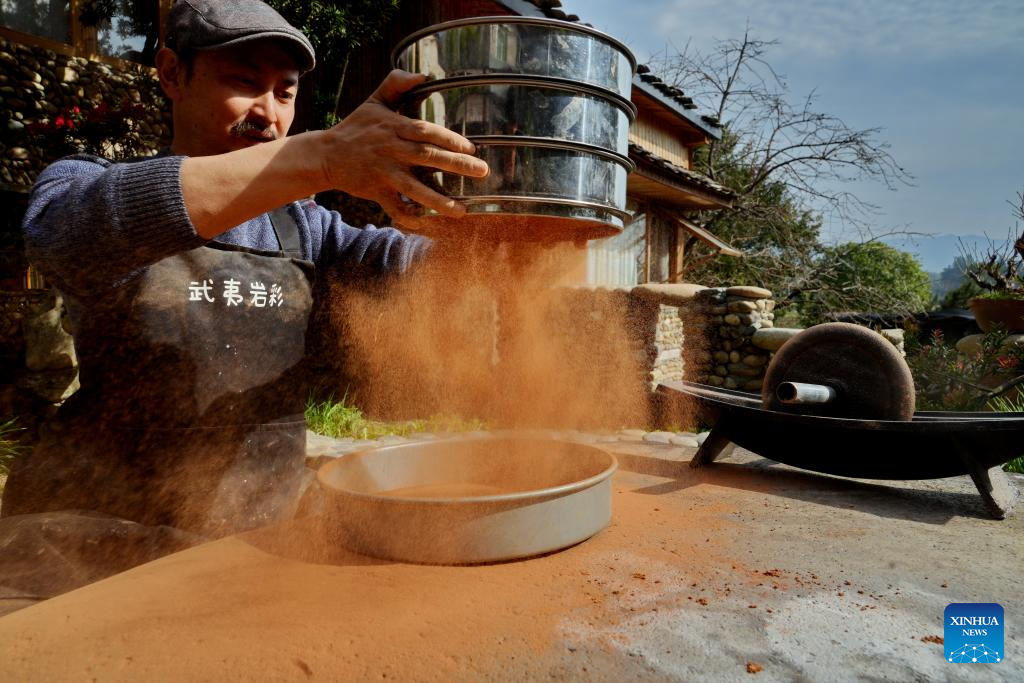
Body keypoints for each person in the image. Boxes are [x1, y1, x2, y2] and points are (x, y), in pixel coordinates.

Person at [0, 0, 488, 539]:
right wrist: (322, 158)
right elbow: (61, 236)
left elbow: (404, 265)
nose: (267, 113)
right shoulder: (82, 185)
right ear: (171, 73)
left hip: (251, 542)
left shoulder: (305, 227)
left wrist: (507, 233)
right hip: (99, 541)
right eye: (244, 81)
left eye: (285, 93)